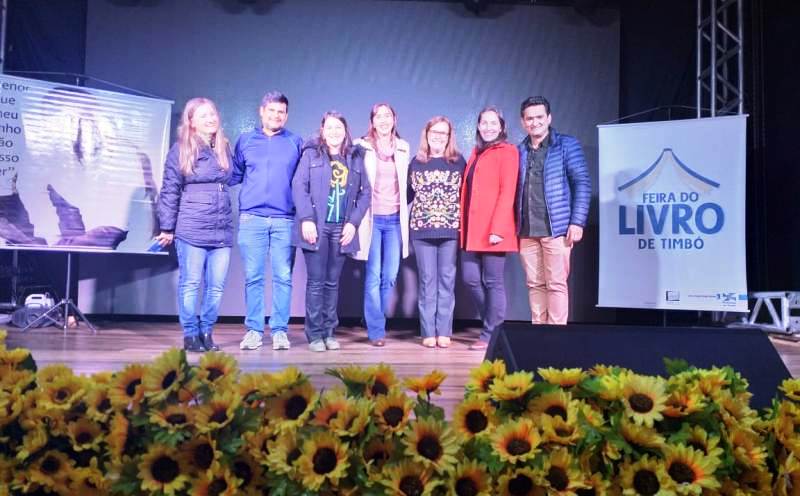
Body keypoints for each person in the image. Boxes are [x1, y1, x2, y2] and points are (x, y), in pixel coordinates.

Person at [156, 97, 233, 352]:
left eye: (213, 113)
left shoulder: (224, 147)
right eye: (203, 115)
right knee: (190, 284)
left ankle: (207, 332)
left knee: (216, 287)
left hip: (221, 228)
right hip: (191, 227)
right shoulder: (181, 149)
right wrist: (167, 227)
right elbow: (169, 190)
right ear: (191, 122)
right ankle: (190, 334)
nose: (211, 118)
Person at [292, 111, 371, 352]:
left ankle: (329, 332)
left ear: (345, 131)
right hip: (317, 226)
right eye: (330, 128)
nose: (334, 132)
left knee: (332, 283)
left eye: (339, 127)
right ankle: (315, 334)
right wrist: (306, 219)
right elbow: (299, 186)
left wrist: (353, 223)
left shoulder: (355, 158)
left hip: (342, 228)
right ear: (322, 131)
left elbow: (365, 193)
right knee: (316, 282)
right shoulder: (311, 154)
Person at [230, 92, 303, 351]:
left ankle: (280, 331)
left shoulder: (295, 142)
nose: (276, 115)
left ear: (286, 115)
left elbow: (301, 182)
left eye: (281, 112)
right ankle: (254, 330)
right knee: (253, 276)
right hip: (252, 219)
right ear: (262, 112)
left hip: (285, 219)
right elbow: (233, 175)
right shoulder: (245, 140)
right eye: (271, 110)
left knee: (283, 276)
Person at [516, 96, 591, 324]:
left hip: (557, 229)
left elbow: (582, 183)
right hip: (527, 230)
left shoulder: (566, 145)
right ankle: (539, 332)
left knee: (556, 284)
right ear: (523, 122)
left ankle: (556, 335)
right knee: (534, 284)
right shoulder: (519, 150)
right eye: (529, 118)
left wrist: (577, 222)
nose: (534, 122)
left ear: (549, 118)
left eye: (539, 117)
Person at [460, 106, 519, 350]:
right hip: (472, 228)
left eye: (493, 123)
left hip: (494, 229)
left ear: (502, 126)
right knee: (470, 278)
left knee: (493, 281)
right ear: (478, 126)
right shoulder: (476, 152)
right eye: (484, 122)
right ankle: (494, 323)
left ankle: (490, 333)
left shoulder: (508, 151)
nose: (488, 127)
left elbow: (508, 192)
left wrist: (498, 228)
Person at [353, 103, 410, 347]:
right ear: (372, 121)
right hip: (372, 219)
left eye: (388, 115)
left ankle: (373, 317)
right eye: (379, 116)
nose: (384, 120)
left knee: (390, 276)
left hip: (396, 219)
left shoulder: (404, 147)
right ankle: (377, 329)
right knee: (373, 275)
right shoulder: (361, 146)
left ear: (395, 119)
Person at [407, 116, 466, 348]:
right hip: (422, 231)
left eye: (443, 133)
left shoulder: (459, 162)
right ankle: (428, 331)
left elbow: (466, 196)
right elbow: (407, 196)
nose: (438, 137)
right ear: (427, 135)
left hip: (450, 230)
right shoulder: (416, 162)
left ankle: (444, 330)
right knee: (427, 281)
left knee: (446, 280)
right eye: (434, 133)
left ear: (449, 137)